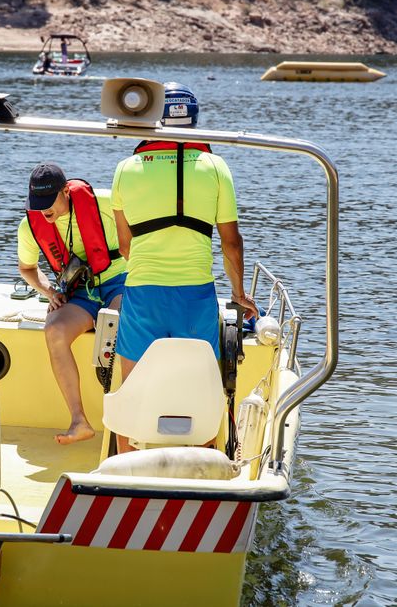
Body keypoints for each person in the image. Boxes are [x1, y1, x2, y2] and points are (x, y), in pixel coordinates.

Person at [110, 82, 258, 450]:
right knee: (202, 392)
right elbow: (231, 242)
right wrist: (239, 294)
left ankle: (123, 472)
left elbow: (125, 244)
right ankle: (203, 472)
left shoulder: (125, 168)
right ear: (195, 120)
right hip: (196, 294)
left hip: (143, 292)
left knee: (129, 392)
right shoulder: (216, 167)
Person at [17, 163, 128, 445]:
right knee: (54, 330)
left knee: (112, 321)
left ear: (66, 191)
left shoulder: (105, 203)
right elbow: (27, 268)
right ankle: (79, 421)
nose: (43, 211)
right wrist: (48, 290)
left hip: (120, 280)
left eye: (48, 202)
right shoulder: (31, 224)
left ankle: (127, 419)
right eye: (37, 203)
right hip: (81, 291)